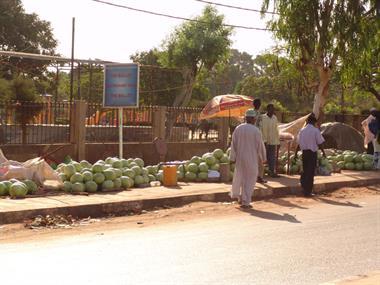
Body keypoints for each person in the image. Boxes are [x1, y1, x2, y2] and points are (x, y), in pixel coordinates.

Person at [229, 109, 266, 208]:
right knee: (250, 179)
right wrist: (263, 158)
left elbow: (233, 144)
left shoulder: (238, 128)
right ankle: (246, 201)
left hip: (240, 158)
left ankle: (241, 198)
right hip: (251, 158)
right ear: (253, 119)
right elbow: (260, 146)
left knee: (241, 178)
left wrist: (232, 157)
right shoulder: (256, 130)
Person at [295, 113, 326, 197]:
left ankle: (304, 187)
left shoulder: (302, 130)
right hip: (312, 153)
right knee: (310, 172)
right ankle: (308, 191)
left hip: (304, 153)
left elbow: (298, 143)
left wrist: (295, 154)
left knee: (305, 170)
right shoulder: (315, 130)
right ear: (313, 122)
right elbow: (320, 143)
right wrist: (323, 152)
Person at [260, 103, 280, 178]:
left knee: (272, 157)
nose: (272, 110)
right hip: (264, 141)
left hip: (273, 141)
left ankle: (272, 172)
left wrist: (278, 142)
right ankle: (260, 174)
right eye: (271, 109)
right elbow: (261, 129)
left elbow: (276, 130)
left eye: (273, 109)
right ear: (267, 109)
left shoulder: (275, 118)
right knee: (262, 157)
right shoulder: (263, 117)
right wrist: (263, 140)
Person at [253, 98, 266, 183]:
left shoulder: (256, 113)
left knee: (257, 158)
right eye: (258, 103)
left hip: (256, 137)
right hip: (256, 137)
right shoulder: (255, 114)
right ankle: (259, 177)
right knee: (260, 158)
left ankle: (258, 176)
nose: (259, 105)